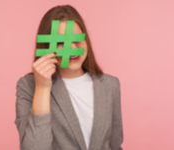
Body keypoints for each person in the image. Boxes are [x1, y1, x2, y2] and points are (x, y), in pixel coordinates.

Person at [15, 4, 123, 150]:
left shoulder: (110, 85)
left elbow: (115, 145)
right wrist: (42, 88)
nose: (71, 48)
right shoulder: (28, 86)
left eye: (76, 39)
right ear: (47, 46)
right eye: (60, 42)